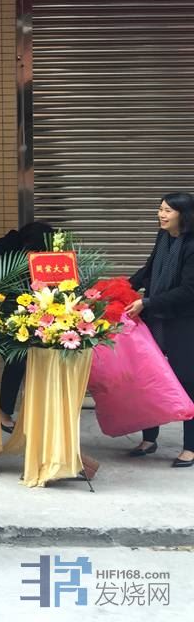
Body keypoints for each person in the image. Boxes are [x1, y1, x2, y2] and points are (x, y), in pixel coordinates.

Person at [125, 192, 194, 468]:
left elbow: (189, 290)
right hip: (156, 316)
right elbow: (150, 269)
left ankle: (190, 447)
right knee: (149, 377)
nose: (161, 215)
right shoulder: (163, 237)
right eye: (160, 209)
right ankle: (149, 438)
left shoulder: (192, 245)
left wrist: (147, 302)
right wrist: (120, 288)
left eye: (168, 211)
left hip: (183, 321)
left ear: (183, 215)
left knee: (187, 381)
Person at [0, 221, 54, 432]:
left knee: (20, 362)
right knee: (16, 362)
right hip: (6, 314)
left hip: (24, 313)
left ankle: (15, 412)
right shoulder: (8, 251)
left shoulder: (12, 246)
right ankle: (3, 413)